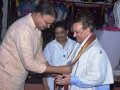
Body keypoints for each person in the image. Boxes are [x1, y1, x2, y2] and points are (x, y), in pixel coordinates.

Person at [0, 1, 72, 90]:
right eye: (47, 22)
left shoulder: (37, 29)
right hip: (6, 77)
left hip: (18, 78)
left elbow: (38, 54)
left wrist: (52, 70)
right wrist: (59, 69)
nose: (49, 26)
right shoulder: (23, 29)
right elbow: (29, 64)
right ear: (38, 15)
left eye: (50, 24)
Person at [55, 12, 114, 90]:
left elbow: (96, 78)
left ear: (87, 30)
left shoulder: (96, 50)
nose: (74, 35)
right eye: (73, 32)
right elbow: (74, 67)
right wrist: (63, 73)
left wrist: (71, 80)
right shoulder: (80, 45)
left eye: (77, 32)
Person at [43, 20, 76, 90]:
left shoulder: (75, 45)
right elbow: (44, 68)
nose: (59, 35)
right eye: (56, 33)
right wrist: (45, 86)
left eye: (62, 32)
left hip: (70, 85)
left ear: (67, 32)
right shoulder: (49, 46)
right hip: (52, 85)